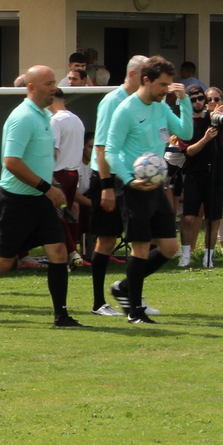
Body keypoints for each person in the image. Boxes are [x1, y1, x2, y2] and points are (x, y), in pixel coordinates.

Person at [0, 65, 81, 328]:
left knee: (58, 251)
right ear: (31, 88)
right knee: (3, 261)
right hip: (17, 200)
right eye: (47, 83)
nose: (53, 88)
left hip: (40, 199)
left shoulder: (44, 116)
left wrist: (53, 189)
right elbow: (11, 162)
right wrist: (47, 188)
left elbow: (39, 160)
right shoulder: (22, 117)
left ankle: (61, 316)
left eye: (54, 83)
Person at [102, 56, 191, 323]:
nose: (166, 89)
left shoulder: (162, 107)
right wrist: (129, 180)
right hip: (132, 186)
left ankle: (124, 288)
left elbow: (185, 133)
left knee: (169, 247)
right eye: (163, 84)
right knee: (140, 248)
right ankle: (135, 312)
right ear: (146, 80)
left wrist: (184, 101)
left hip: (155, 185)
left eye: (169, 85)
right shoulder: (126, 109)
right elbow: (110, 151)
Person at [87, 54, 148, 317]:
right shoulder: (112, 101)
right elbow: (101, 146)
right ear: (133, 75)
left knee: (141, 239)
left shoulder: (142, 102)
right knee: (106, 239)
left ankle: (133, 299)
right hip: (109, 178)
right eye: (147, 76)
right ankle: (99, 302)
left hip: (130, 179)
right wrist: (106, 186)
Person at [178, 85, 223, 268]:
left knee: (214, 218)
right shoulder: (185, 123)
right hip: (194, 174)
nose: (198, 102)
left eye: (201, 98)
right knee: (188, 218)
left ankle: (209, 257)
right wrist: (206, 138)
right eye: (193, 99)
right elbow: (190, 152)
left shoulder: (214, 118)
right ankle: (185, 254)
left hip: (216, 174)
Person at [48, 87, 85, 257]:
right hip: (73, 174)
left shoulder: (55, 121)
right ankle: (74, 251)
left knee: (57, 217)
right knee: (67, 214)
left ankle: (71, 253)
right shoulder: (77, 120)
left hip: (59, 175)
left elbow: (53, 151)